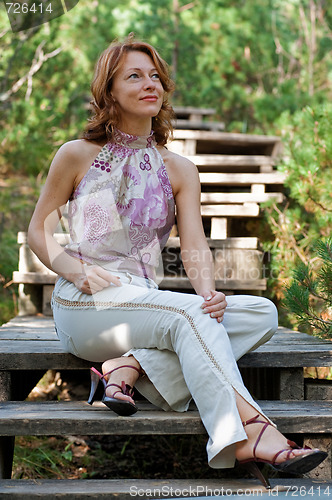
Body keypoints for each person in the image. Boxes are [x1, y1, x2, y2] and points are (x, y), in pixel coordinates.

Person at [27, 34, 327, 488]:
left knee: (260, 312)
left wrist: (208, 294)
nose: (151, 83)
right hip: (86, 305)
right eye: (135, 76)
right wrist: (76, 272)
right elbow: (38, 232)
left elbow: (194, 246)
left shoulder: (180, 169)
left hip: (147, 305)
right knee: (186, 317)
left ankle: (128, 366)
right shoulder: (76, 155)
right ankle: (245, 432)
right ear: (108, 90)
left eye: (155, 76)